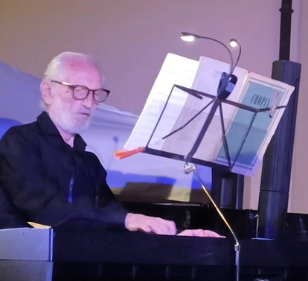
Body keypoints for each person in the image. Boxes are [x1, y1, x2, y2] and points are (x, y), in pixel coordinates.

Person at [0, 52, 220, 237]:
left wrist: (175, 235)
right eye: (78, 90)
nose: (89, 102)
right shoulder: (19, 142)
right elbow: (45, 208)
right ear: (48, 91)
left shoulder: (89, 162)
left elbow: (113, 218)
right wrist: (126, 219)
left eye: (96, 93)